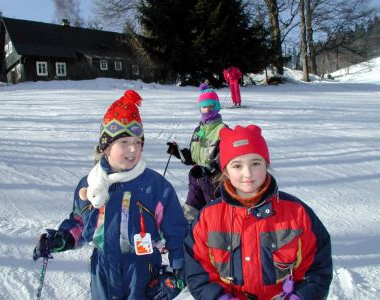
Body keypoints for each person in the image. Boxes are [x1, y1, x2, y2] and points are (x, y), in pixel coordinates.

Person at [33, 90, 188, 300]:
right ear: (106, 146)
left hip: (143, 270)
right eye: (124, 142)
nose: (133, 149)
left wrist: (179, 272)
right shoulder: (90, 184)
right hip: (102, 270)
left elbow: (177, 232)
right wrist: (63, 238)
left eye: (138, 142)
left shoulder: (155, 187)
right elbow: (80, 222)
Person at [184, 124, 333, 299]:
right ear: (225, 171)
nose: (248, 173)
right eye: (237, 166)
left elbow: (317, 268)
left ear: (266, 164)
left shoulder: (297, 213)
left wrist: (298, 296)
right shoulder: (208, 218)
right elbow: (198, 271)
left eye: (255, 163)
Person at [167, 83, 227, 223]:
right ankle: (188, 236)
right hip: (196, 179)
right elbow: (193, 158)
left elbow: (225, 157)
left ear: (217, 106)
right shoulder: (197, 130)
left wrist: (210, 168)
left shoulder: (222, 130)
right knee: (190, 211)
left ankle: (215, 237)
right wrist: (177, 152)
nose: (207, 110)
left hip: (214, 182)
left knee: (215, 214)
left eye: (211, 106)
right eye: (204, 106)